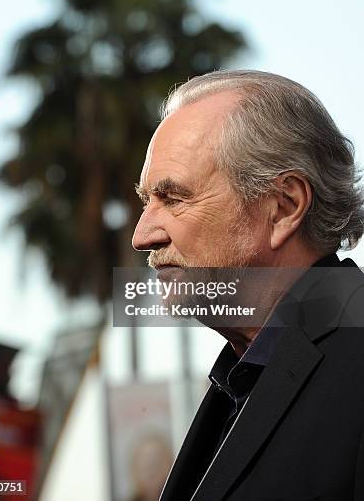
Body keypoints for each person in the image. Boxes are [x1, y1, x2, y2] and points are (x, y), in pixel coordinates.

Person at [132, 70, 364, 500]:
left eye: (174, 198)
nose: (142, 235)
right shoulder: (241, 377)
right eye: (148, 201)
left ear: (284, 206)